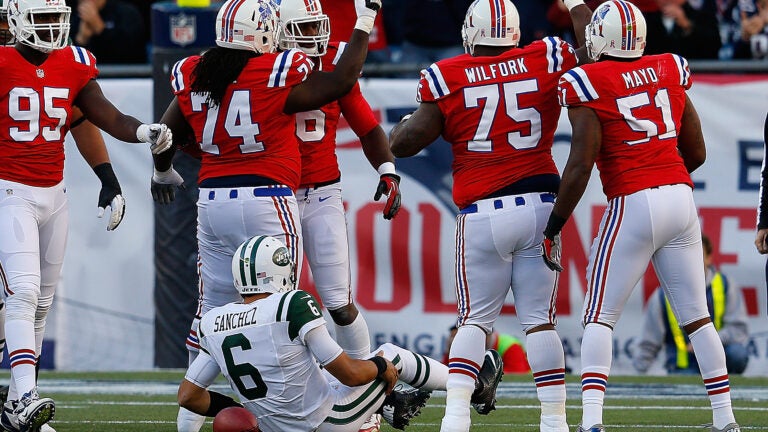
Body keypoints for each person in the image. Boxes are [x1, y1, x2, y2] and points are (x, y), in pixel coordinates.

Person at [148, 1, 395, 431]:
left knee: (210, 315)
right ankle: (303, 411)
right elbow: (340, 79)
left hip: (217, 199)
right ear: (270, 33)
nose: (311, 37)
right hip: (269, 195)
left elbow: (168, 133)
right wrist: (364, 22)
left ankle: (186, 421)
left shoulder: (202, 70)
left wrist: (165, 168)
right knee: (285, 310)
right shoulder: (277, 70)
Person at [389, 0, 592, 431]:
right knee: (540, 322)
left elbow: (406, 142)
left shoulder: (448, 74)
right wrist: (576, 5)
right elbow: (594, 50)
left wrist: (400, 127)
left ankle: (456, 419)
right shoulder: (547, 56)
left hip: (482, 212)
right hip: (540, 204)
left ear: (470, 33)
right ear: (515, 34)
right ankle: (554, 421)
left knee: (475, 321)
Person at [543, 1, 740, 431]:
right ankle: (726, 420)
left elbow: (579, 166)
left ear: (605, 38)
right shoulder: (669, 66)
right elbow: (698, 153)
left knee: (599, 315)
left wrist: (554, 225)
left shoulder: (586, 81)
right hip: (680, 197)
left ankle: (591, 422)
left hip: (633, 200)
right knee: (698, 316)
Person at [0, 0, 172, 430]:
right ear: (18, 19)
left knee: (40, 305)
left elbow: (100, 114)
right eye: (41, 19)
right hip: (7, 191)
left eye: (57, 19)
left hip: (53, 194)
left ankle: (14, 407)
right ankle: (25, 397)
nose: (52, 28)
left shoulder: (74, 62)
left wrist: (138, 137)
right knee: (21, 294)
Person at [177, 235, 503, 432]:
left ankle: (388, 405)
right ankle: (476, 388)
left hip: (277, 425)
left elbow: (188, 396)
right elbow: (349, 373)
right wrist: (380, 368)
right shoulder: (290, 304)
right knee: (390, 354)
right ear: (278, 271)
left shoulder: (213, 321)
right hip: (324, 422)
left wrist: (247, 411)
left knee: (314, 370)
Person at [274, 1, 402, 431]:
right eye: (304, 27)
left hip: (322, 192)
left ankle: (370, 395)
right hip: (277, 194)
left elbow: (367, 127)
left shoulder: (332, 70)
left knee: (340, 304)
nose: (314, 36)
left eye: (318, 27)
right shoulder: (264, 70)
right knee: (277, 304)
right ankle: (282, 397)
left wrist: (387, 170)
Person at [633, 234, 750, 375]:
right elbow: (650, 340)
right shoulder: (662, 295)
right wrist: (639, 370)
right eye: (686, 257)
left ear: (708, 258)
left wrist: (706, 343)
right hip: (684, 364)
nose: (692, 262)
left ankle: (731, 389)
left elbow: (738, 330)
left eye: (697, 255)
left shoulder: (726, 286)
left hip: (720, 357)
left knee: (737, 354)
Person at [70, 0, 147, 64]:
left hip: (127, 76)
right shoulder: (73, 19)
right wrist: (82, 39)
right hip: (89, 77)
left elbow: (131, 51)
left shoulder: (126, 13)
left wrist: (100, 28)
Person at [443, 325, 531, 374]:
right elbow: (446, 369)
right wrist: (451, 350)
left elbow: (518, 373)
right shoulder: (471, 346)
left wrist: (485, 374)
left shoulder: (510, 345)